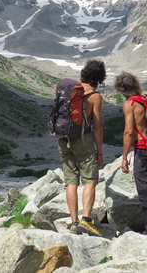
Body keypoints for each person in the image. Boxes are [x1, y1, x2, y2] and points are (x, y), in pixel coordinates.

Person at [115, 71, 147, 239]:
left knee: (146, 191)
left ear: (121, 89)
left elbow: (129, 131)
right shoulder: (146, 99)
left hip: (142, 149)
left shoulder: (130, 104)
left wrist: (124, 157)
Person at [57, 59, 106, 236]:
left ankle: (73, 222)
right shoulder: (94, 96)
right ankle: (86, 219)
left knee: (71, 181)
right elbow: (98, 126)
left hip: (64, 139)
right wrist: (99, 151)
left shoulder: (70, 90)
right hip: (83, 140)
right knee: (90, 180)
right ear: (99, 77)